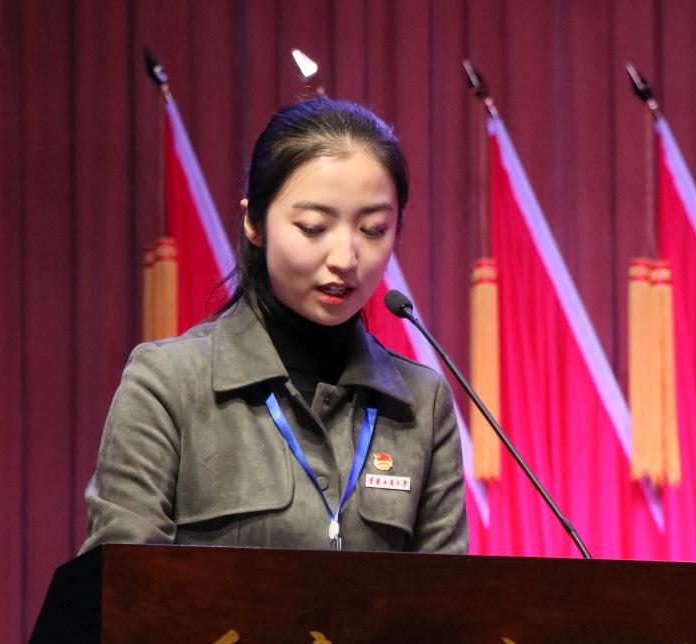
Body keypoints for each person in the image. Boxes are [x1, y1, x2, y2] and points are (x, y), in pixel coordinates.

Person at [80, 98, 467, 555]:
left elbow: (445, 595)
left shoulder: (422, 404)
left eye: (372, 230)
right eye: (313, 227)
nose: (345, 259)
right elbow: (120, 586)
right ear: (254, 222)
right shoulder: (168, 385)